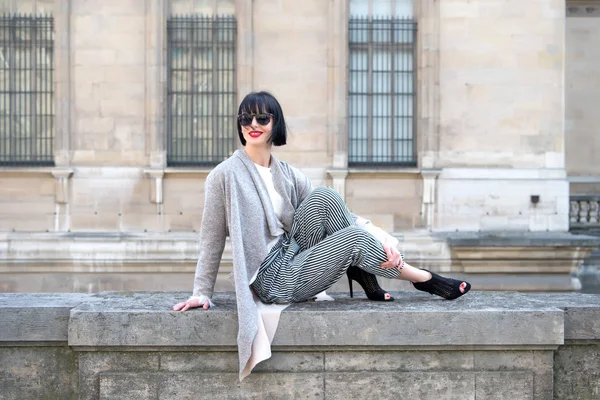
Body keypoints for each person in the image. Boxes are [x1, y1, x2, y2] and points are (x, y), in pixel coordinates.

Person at [173, 91, 471, 380]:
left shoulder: (287, 173)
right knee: (353, 239)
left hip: (290, 252)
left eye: (262, 118)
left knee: (325, 197)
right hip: (270, 278)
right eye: (245, 118)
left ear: (275, 124)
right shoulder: (224, 176)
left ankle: (366, 268)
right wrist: (202, 292)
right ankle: (424, 280)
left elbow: (341, 213)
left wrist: (385, 242)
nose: (253, 125)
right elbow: (211, 239)